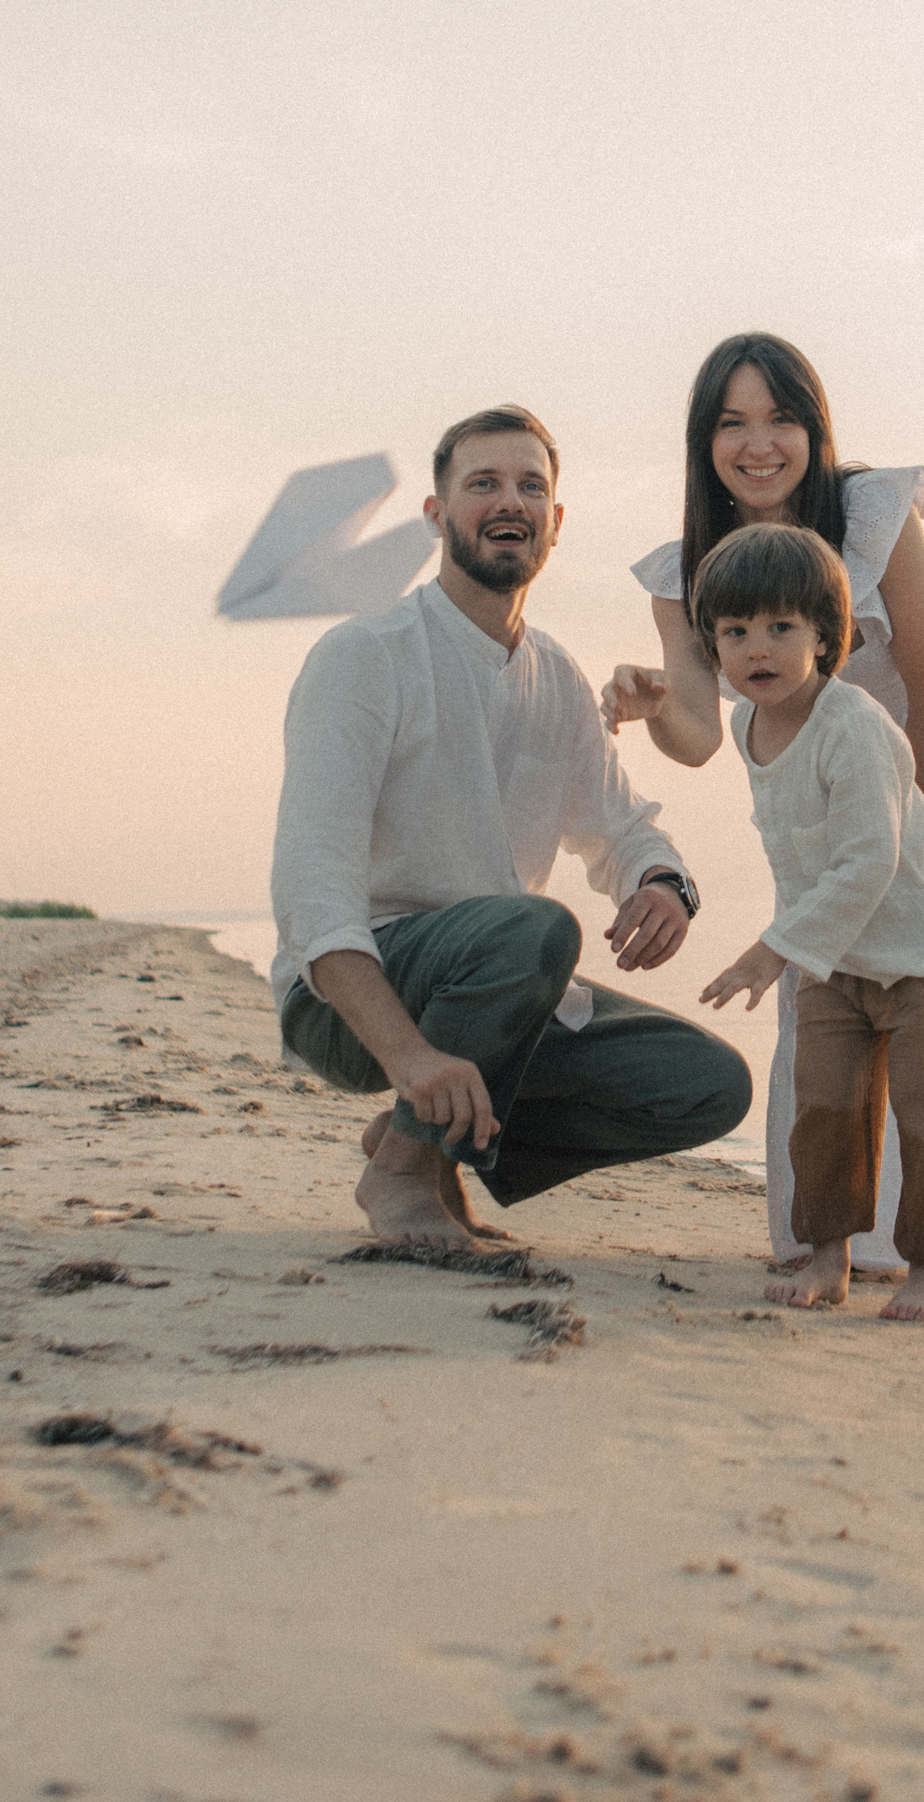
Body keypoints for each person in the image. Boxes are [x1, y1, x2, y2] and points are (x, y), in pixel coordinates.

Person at [607, 332, 924, 1289]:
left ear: (815, 429)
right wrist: (655, 707)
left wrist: (923, 845)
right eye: (732, 423)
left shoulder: (871, 510)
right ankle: (844, 1241)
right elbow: (700, 734)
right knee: (834, 1008)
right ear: (704, 442)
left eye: (782, 418)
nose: (760, 444)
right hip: (823, 796)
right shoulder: (687, 569)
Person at [271, 404, 751, 1250]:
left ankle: (422, 1140)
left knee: (706, 1084)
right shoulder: (364, 656)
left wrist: (663, 883)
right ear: (436, 514)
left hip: (500, 983)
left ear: (555, 524)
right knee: (532, 930)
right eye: (482, 483)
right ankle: (406, 1176)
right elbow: (314, 898)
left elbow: (622, 827)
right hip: (352, 997)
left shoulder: (556, 677)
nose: (510, 501)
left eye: (532, 487)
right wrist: (410, 1061)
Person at [693, 522, 924, 1324]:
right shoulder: (746, 727)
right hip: (834, 954)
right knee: (822, 1103)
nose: (757, 648)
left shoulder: (855, 724)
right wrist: (797, 946)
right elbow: (799, 855)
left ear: (828, 639)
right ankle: (828, 1256)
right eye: (735, 632)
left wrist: (771, 952)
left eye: (781, 628)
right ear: (714, 647)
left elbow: (869, 858)